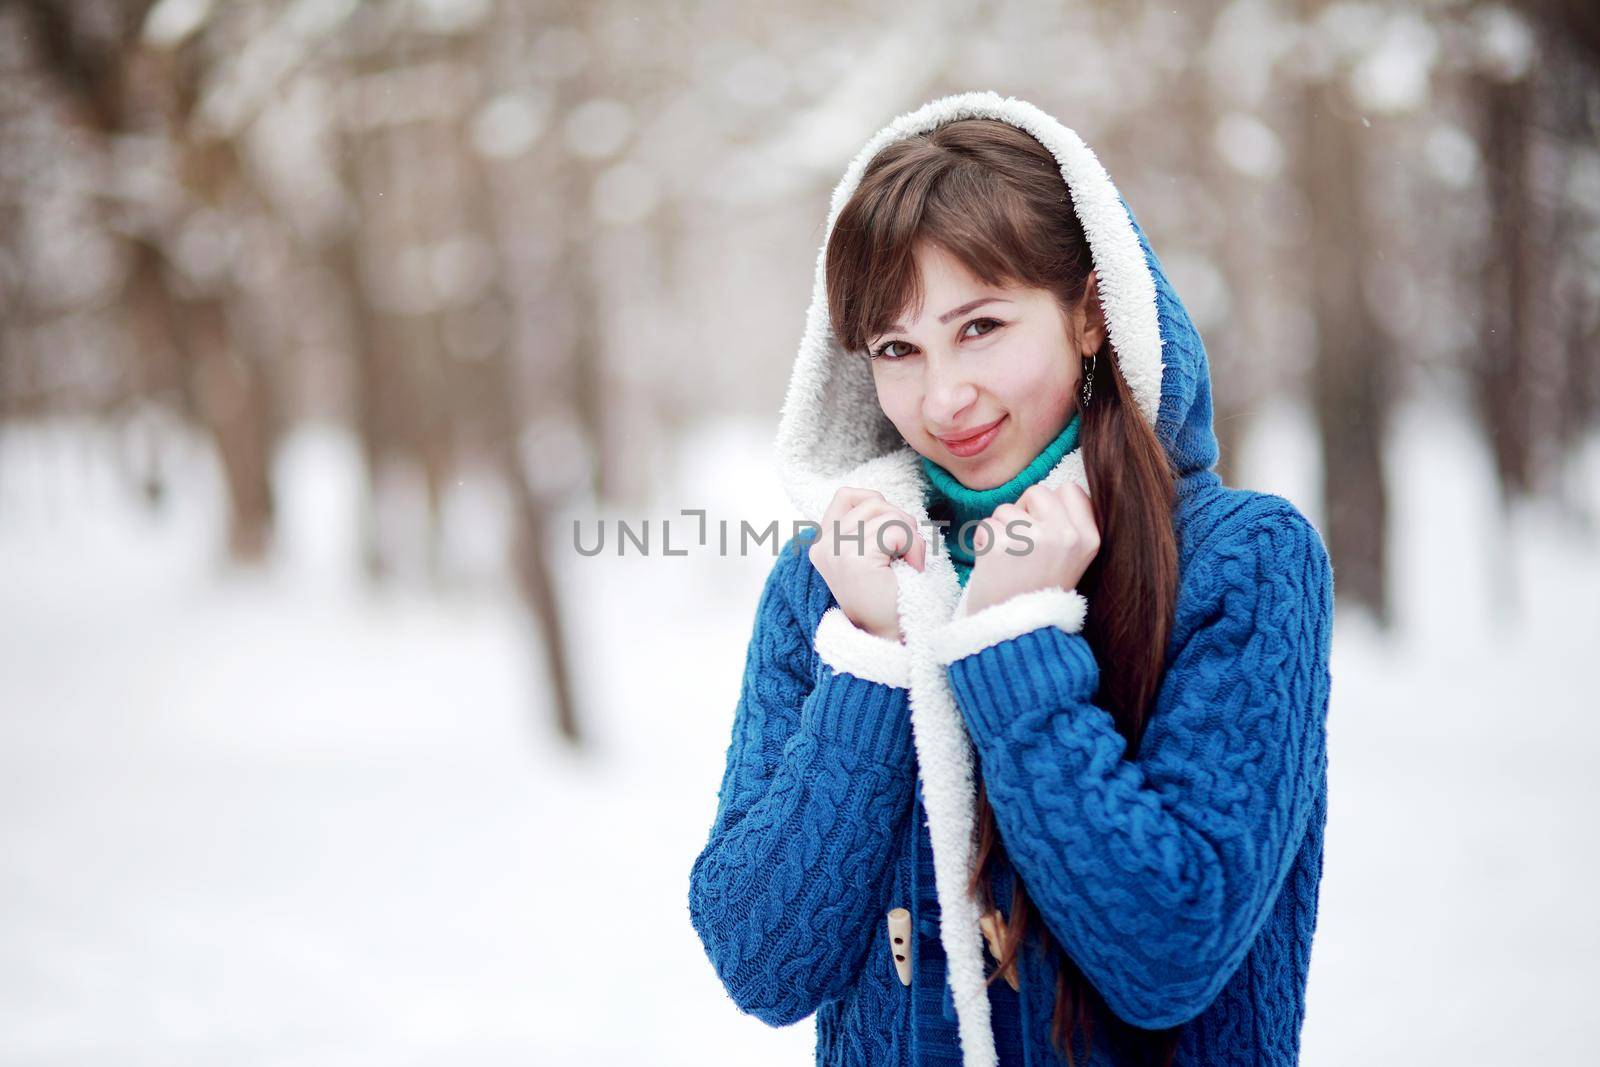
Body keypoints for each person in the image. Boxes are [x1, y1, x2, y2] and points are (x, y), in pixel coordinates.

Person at [687, 91, 1334, 1067]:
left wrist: (1016, 640)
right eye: (897, 349)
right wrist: (872, 659)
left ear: (1087, 313)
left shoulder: (1242, 562)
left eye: (980, 326)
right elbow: (763, 962)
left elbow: (1168, 951)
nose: (942, 397)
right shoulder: (832, 580)